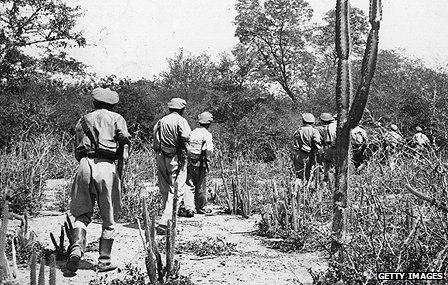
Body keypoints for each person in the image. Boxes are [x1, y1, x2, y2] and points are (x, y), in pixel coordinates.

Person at [68, 87, 130, 273]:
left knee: (81, 214)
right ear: (112, 104)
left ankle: (77, 248)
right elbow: (124, 143)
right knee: (109, 217)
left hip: (84, 165)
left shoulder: (83, 119)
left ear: (94, 103)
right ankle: (104, 260)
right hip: (106, 166)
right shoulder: (117, 118)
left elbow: (77, 148)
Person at [153, 98, 191, 233]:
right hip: (175, 157)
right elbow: (186, 137)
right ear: (182, 109)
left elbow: (155, 140)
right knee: (177, 189)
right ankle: (166, 221)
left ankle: (165, 216)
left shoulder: (161, 121)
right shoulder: (181, 120)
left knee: (164, 188)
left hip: (160, 156)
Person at [182, 111, 214, 215]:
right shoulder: (207, 134)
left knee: (189, 184)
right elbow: (209, 150)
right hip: (201, 163)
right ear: (209, 123)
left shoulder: (193, 132)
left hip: (190, 162)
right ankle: (201, 207)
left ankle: (189, 208)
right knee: (201, 185)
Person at [292, 113, 322, 187]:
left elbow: (295, 144)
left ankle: (296, 191)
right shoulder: (314, 131)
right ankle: (308, 193)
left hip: (298, 154)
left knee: (299, 175)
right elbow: (317, 142)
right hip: (309, 155)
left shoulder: (298, 131)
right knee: (310, 175)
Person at [317, 113, 337, 187]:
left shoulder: (324, 128)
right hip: (338, 149)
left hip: (328, 148)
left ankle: (324, 186)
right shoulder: (337, 126)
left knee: (325, 168)